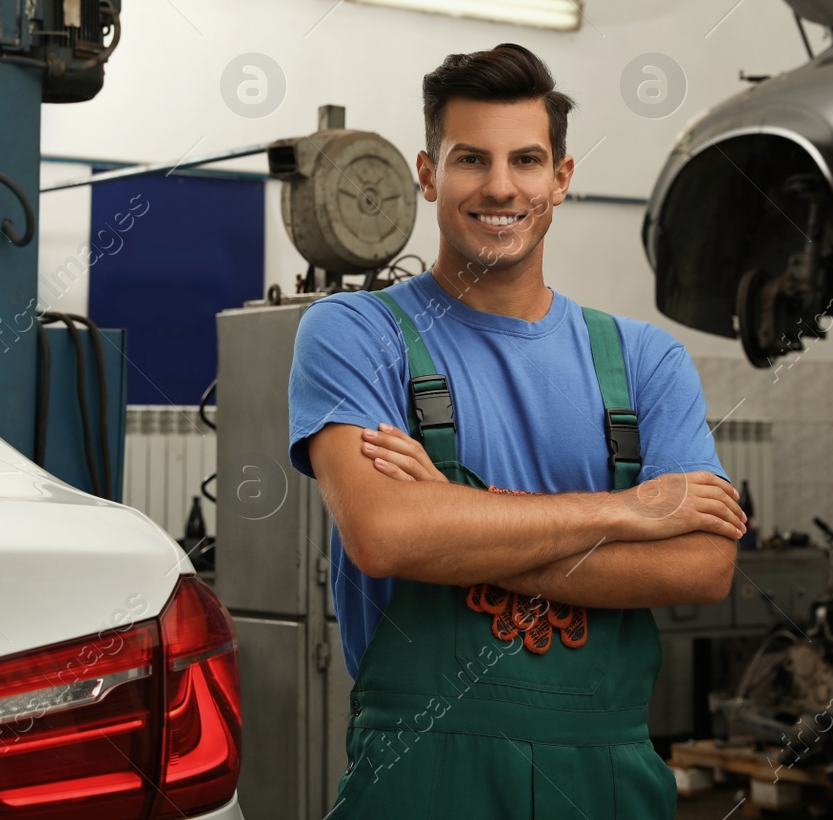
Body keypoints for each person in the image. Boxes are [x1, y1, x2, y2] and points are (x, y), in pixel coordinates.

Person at [287, 43, 745, 818]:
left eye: (526, 160)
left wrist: (458, 521)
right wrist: (622, 510)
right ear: (429, 174)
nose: (500, 187)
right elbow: (387, 534)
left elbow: (701, 566)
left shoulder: (644, 360)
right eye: (471, 159)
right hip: (422, 770)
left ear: (560, 179)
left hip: (609, 777)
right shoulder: (354, 334)